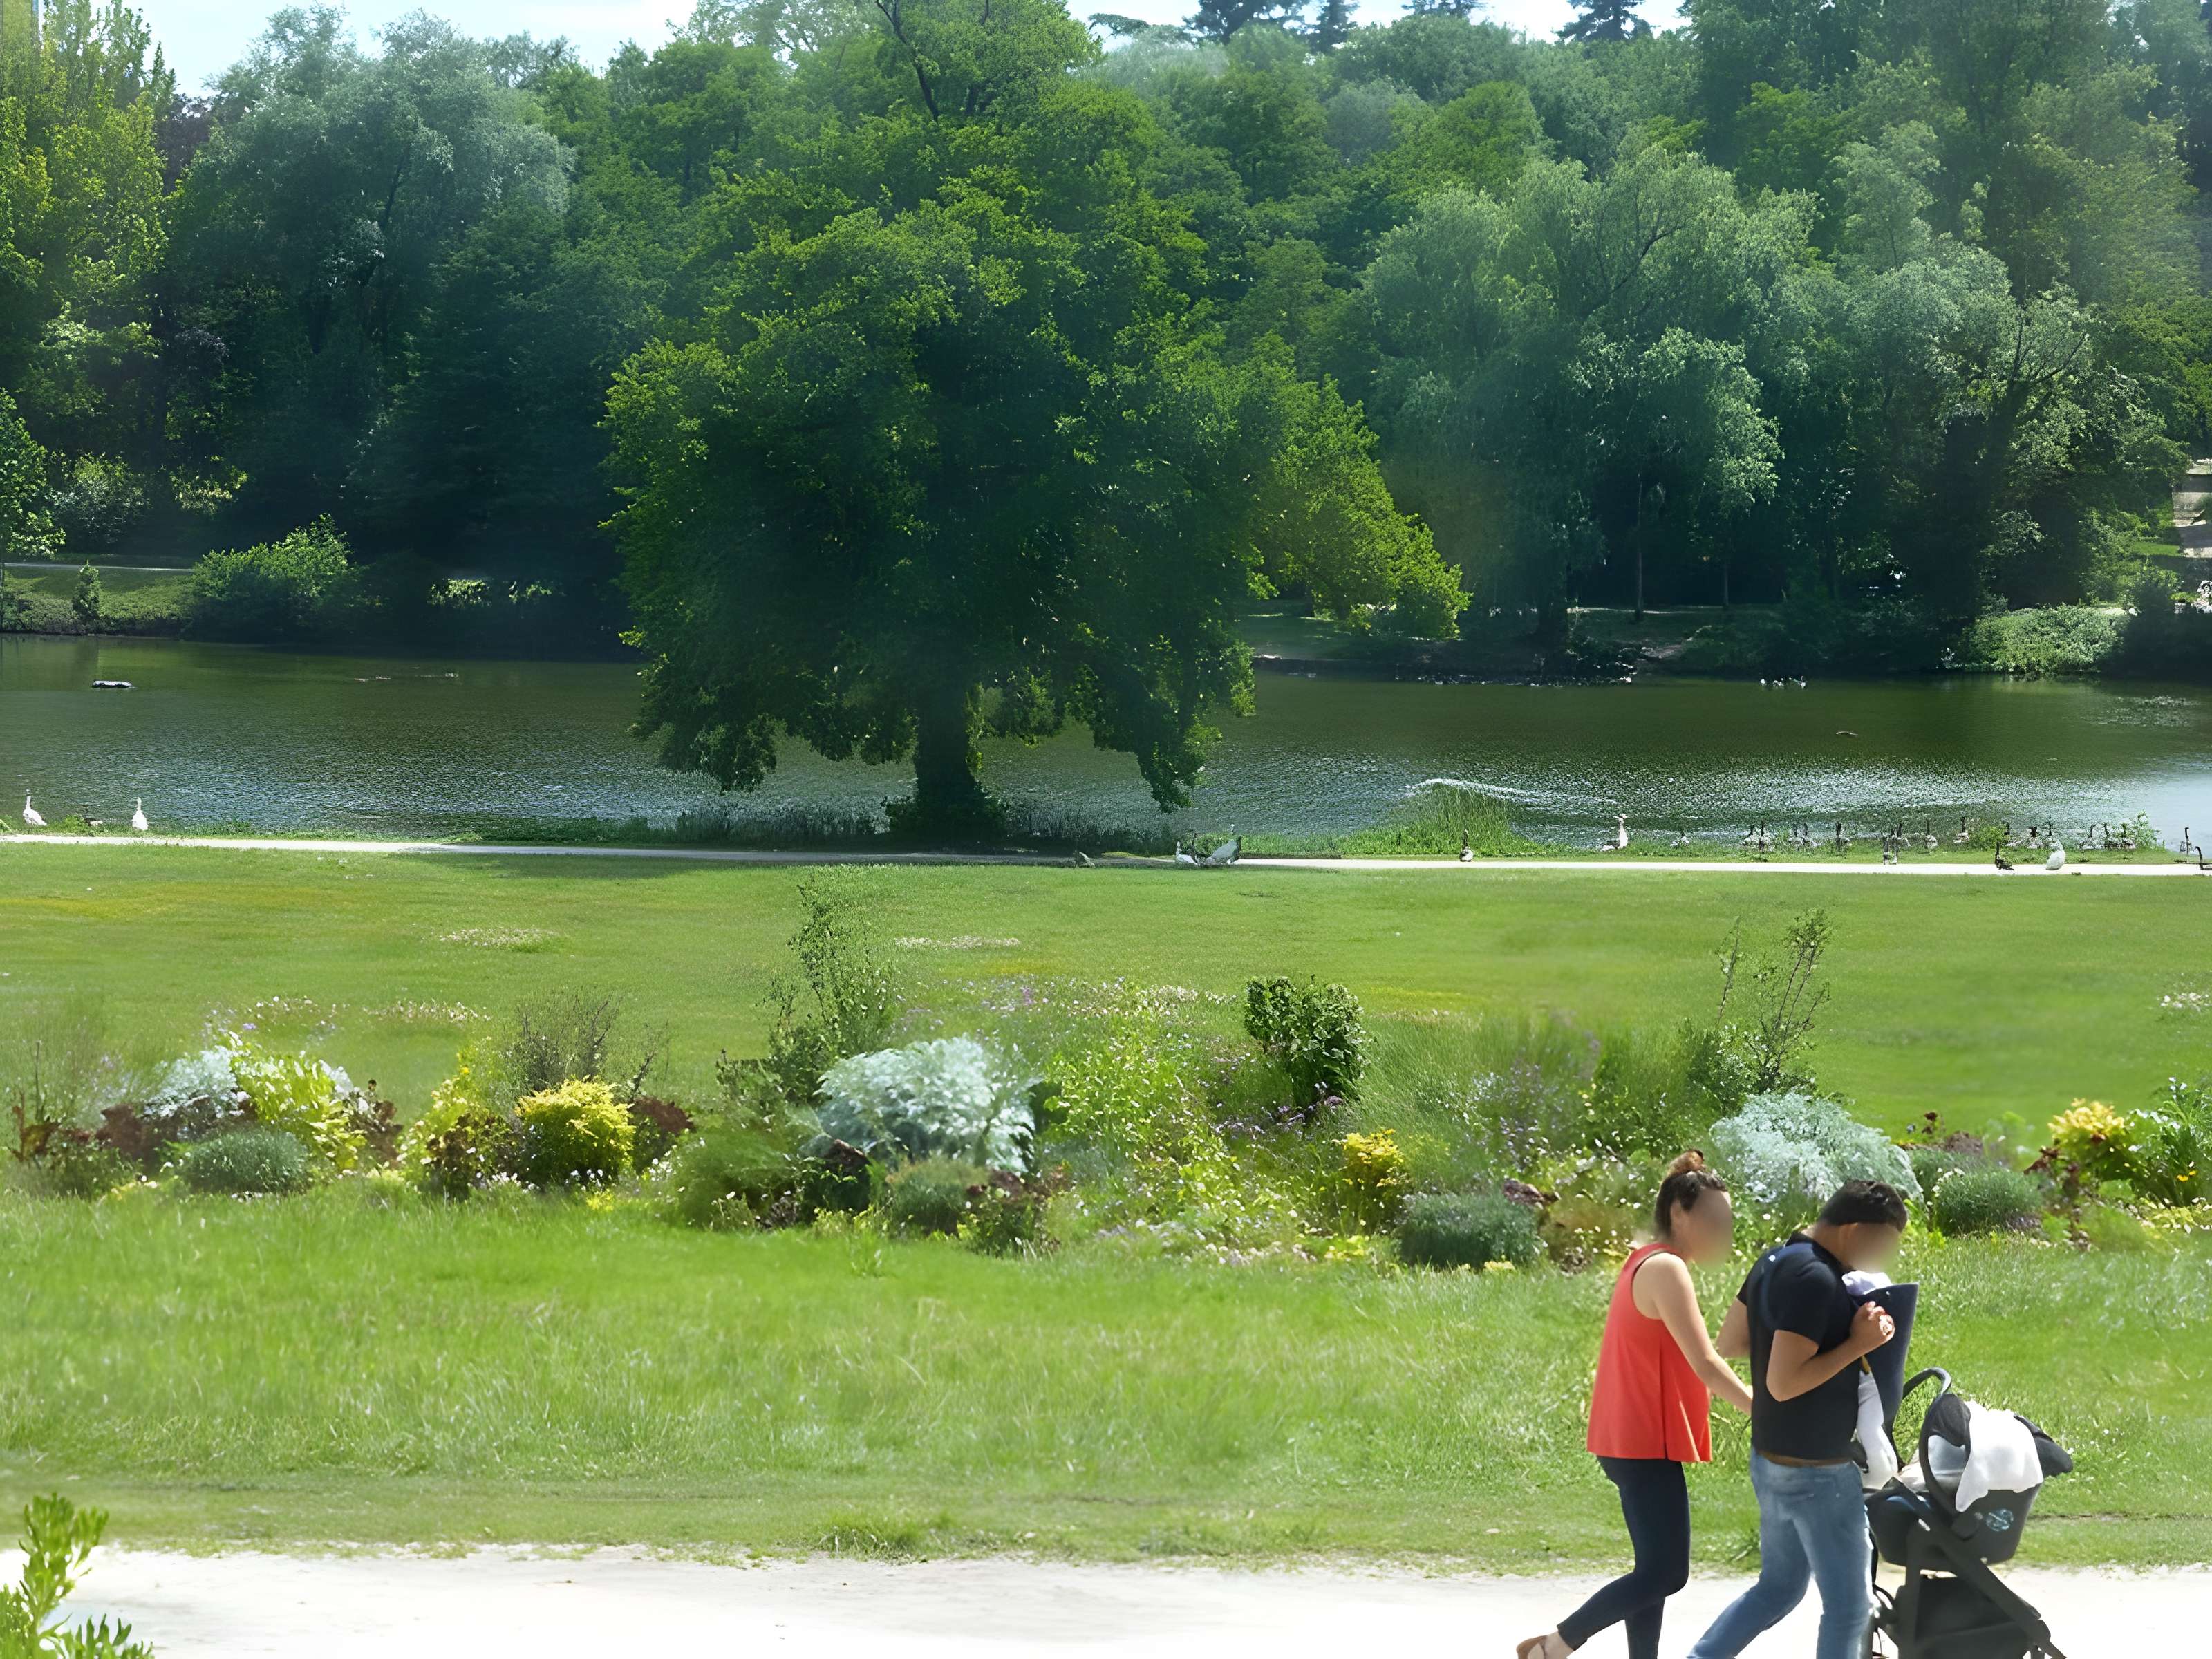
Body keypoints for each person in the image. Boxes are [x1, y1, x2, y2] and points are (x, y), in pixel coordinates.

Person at [1515, 1152, 1754, 1659]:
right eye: (1713, 1220)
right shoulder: (1666, 1268)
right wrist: (1765, 1410)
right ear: (1679, 1215)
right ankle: (1553, 1647)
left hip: (1634, 1437)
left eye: (1727, 1222)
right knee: (1668, 1572)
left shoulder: (1649, 1260)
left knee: (1655, 1570)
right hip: (1641, 1439)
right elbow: (1706, 1364)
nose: (1722, 1232)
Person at [1687, 1179, 1911, 1659]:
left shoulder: (1773, 1261)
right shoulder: (1817, 1280)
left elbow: (1732, 1342)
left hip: (1770, 1459)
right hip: (1818, 1471)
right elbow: (1783, 1384)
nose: (1885, 1256)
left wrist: (1801, 1341)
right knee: (1850, 1608)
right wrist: (1857, 1345)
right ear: (1854, 1230)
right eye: (1886, 1242)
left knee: (1779, 1589)